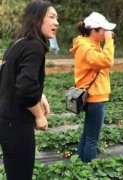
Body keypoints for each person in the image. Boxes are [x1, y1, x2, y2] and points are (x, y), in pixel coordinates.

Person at [0, 1, 58, 179]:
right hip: (16, 123)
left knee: (14, 171)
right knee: (21, 174)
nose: (56, 23)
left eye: (57, 18)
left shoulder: (19, 42)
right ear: (36, 18)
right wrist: (40, 116)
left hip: (6, 119)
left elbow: (9, 74)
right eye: (52, 17)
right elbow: (25, 87)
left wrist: (39, 93)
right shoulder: (34, 46)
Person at [70, 12, 116, 163]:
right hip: (95, 97)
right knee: (92, 139)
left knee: (87, 135)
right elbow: (107, 61)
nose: (107, 33)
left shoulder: (89, 44)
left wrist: (105, 40)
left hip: (92, 95)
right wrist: (109, 42)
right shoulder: (87, 48)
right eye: (104, 30)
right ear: (94, 30)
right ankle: (88, 169)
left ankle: (81, 165)